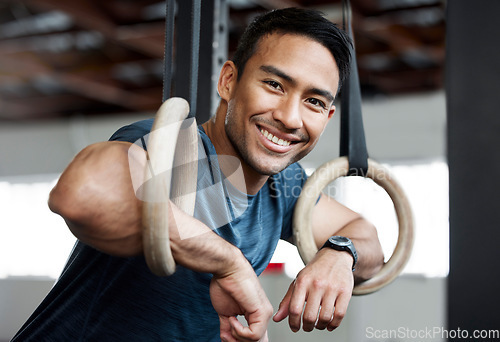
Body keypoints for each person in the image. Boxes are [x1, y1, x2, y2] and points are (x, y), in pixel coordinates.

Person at [12, 8, 384, 342]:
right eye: (274, 85)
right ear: (228, 82)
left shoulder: (283, 188)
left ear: (328, 117)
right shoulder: (173, 149)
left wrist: (340, 254)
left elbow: (364, 236)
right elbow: (80, 196)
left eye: (314, 101)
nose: (290, 117)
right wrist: (228, 263)